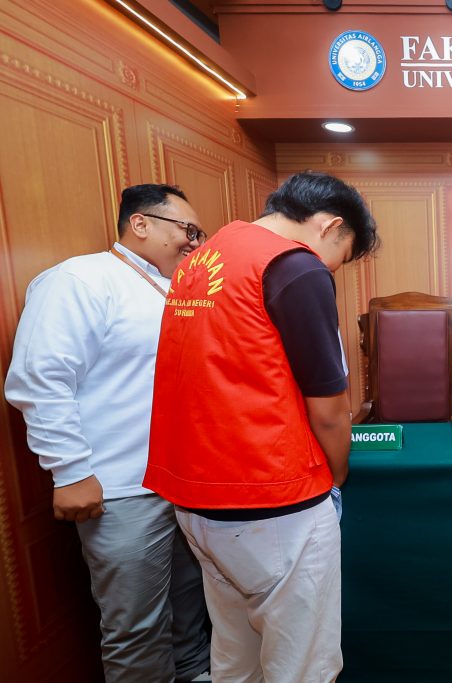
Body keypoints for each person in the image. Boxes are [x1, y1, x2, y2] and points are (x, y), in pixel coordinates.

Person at [144, 171, 379, 682]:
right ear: (329, 226)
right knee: (302, 666)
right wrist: (337, 474)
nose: (331, 268)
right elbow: (329, 406)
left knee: (236, 657)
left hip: (197, 495)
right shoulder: (294, 265)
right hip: (272, 495)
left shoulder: (207, 255)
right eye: (341, 255)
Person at [4, 185, 211, 682]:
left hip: (182, 486)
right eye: (187, 230)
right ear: (140, 224)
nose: (194, 243)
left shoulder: (172, 290)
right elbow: (40, 379)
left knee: (191, 619)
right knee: (137, 630)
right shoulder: (80, 279)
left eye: (198, 234)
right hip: (121, 490)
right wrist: (70, 472)